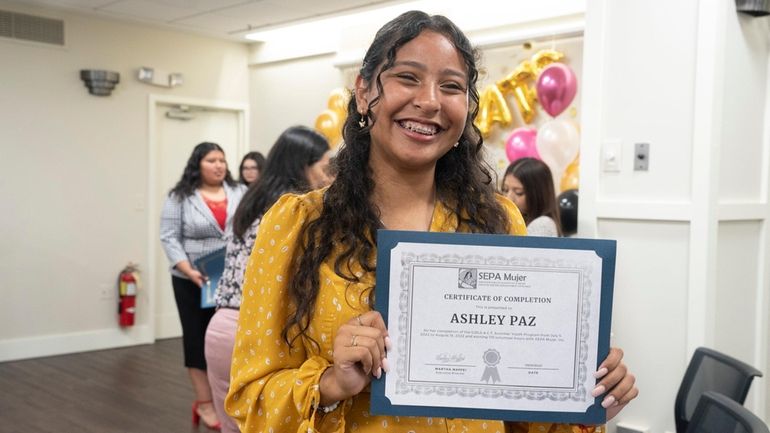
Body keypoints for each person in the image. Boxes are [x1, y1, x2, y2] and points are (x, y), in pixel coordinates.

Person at [226, 11, 638, 433]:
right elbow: (249, 398)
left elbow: (520, 415)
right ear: (365, 91)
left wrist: (580, 399)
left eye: (451, 86)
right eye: (408, 77)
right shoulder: (298, 223)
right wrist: (331, 384)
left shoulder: (498, 220)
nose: (430, 101)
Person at [204, 126, 332, 433]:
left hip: (221, 328)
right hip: (260, 335)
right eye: (325, 167)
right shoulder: (292, 213)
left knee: (232, 426)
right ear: (303, 165)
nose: (330, 176)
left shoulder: (250, 201)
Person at [159, 142, 246, 430]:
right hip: (192, 280)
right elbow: (169, 237)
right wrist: (189, 270)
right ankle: (205, 403)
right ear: (198, 164)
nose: (219, 165)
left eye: (222, 160)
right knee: (197, 341)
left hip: (231, 281)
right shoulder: (180, 196)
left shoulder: (239, 192)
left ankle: (229, 402)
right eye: (211, 160)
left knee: (227, 341)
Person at [501, 157, 563, 237]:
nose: (509, 198)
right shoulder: (514, 221)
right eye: (505, 190)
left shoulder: (542, 224)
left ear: (538, 195)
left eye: (519, 192)